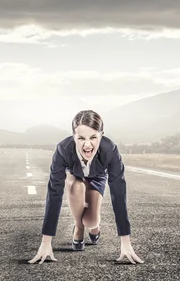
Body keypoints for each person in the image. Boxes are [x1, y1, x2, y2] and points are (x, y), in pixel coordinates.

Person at [28, 110, 144, 265]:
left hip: (97, 177)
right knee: (77, 187)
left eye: (93, 137)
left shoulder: (110, 149)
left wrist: (125, 243)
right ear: (74, 136)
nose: (87, 144)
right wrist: (46, 242)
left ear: (101, 135)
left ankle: (94, 227)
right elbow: (54, 192)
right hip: (75, 176)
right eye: (81, 138)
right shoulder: (63, 149)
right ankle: (78, 227)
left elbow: (119, 192)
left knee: (91, 221)